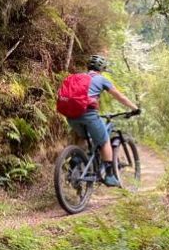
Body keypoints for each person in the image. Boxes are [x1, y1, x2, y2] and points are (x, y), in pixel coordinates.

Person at [57, 54, 139, 187]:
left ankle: (76, 163)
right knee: (105, 141)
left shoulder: (78, 77)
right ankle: (110, 176)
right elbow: (120, 97)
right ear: (101, 68)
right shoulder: (101, 79)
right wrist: (135, 108)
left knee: (83, 138)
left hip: (71, 116)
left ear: (88, 67)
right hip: (88, 114)